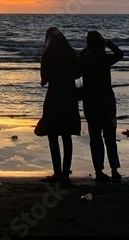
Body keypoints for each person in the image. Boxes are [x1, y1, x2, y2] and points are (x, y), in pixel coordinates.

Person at [77, 28, 124, 182]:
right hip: (106, 99)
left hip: (90, 100)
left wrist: (87, 50)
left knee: (95, 136)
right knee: (110, 136)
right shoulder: (104, 58)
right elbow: (120, 54)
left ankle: (98, 171)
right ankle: (115, 170)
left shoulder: (84, 58)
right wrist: (108, 42)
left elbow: (77, 65)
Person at [39, 26, 81, 186]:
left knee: (52, 134)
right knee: (67, 134)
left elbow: (44, 78)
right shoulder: (70, 54)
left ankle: (57, 172)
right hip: (69, 95)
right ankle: (65, 173)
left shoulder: (48, 55)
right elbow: (78, 73)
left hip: (54, 95)